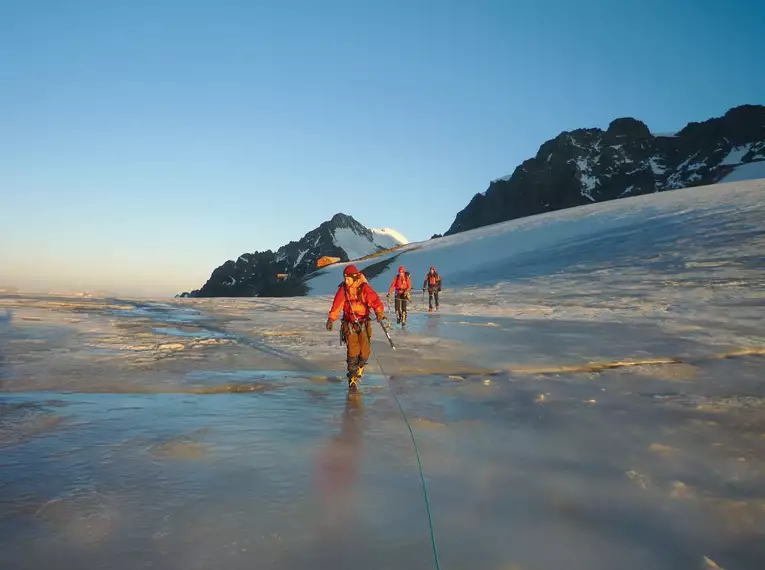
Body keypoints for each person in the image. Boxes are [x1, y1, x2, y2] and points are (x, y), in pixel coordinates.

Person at [326, 265, 389, 389]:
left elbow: (375, 301)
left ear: (354, 278)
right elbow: (337, 304)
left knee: (365, 352)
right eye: (344, 278)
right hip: (349, 323)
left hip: (363, 323)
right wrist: (331, 319)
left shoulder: (364, 288)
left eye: (348, 278)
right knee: (352, 350)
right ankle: (352, 376)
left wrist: (379, 313)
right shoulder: (343, 289)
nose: (346, 280)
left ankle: (360, 365)